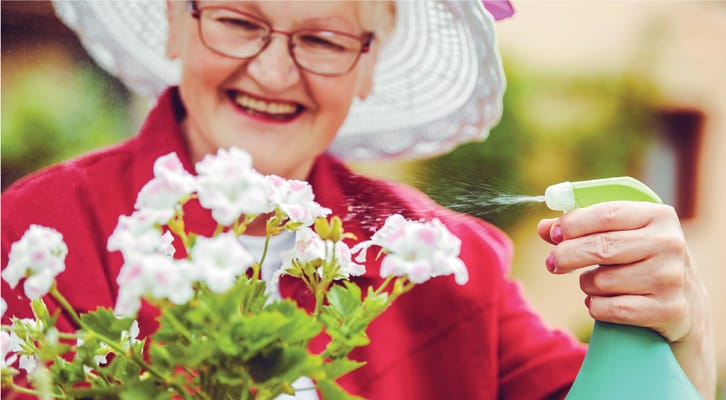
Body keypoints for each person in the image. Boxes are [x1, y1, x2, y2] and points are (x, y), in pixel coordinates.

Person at [1, 1, 715, 399]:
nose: (275, 70)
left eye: (325, 39)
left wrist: (676, 328)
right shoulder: (35, 230)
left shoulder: (452, 268)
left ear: (370, 62)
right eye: (238, 22)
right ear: (176, 23)